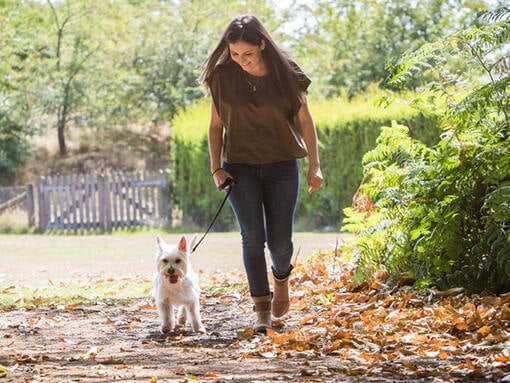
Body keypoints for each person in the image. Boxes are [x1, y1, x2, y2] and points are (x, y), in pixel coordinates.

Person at [200, 15, 323, 332]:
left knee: (280, 243)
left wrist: (315, 165)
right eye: (235, 54)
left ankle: (281, 277)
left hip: (282, 165)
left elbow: (305, 121)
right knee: (252, 237)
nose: (240, 60)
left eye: (247, 54)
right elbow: (216, 127)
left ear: (263, 45)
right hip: (239, 169)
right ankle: (261, 311)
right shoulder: (222, 77)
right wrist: (216, 167)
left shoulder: (287, 74)